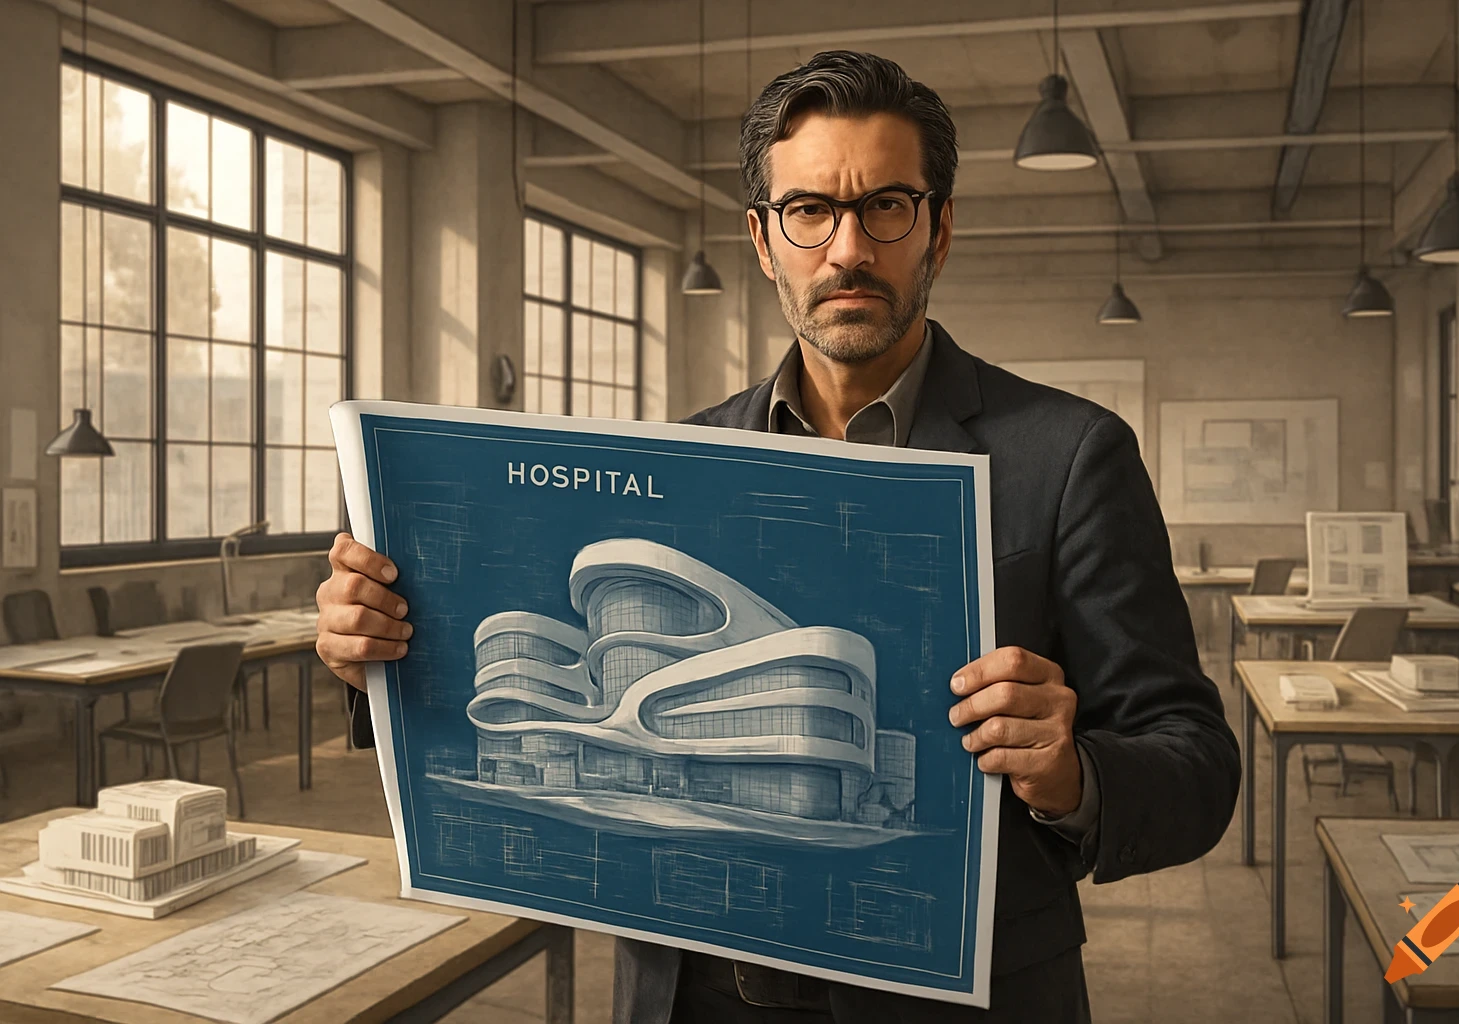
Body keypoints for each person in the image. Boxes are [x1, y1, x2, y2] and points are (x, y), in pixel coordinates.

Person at [317, 50, 1240, 1024]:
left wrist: (1071, 773)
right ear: (763, 239)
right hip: (689, 996)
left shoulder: (1068, 455)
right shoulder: (673, 459)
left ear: (940, 229)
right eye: (810, 211)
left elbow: (1195, 763)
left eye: (886, 205)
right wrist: (376, 654)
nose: (848, 249)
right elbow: (545, 683)